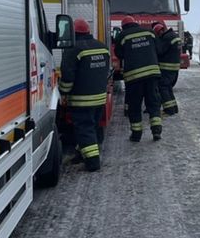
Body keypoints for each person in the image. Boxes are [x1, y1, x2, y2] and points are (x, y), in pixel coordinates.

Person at [59, 18, 110, 172]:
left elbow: (68, 76)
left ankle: (93, 162)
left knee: (84, 130)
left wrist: (63, 92)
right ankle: (82, 154)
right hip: (100, 98)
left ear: (73, 33)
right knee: (92, 128)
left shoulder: (72, 49)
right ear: (88, 31)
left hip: (81, 100)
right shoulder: (102, 47)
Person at [115, 16, 163, 142]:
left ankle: (136, 134)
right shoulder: (150, 32)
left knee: (134, 106)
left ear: (123, 26)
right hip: (152, 74)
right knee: (153, 102)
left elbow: (119, 54)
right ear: (135, 23)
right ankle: (156, 130)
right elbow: (159, 49)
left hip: (134, 77)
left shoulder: (122, 35)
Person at [154, 22, 182, 115]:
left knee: (163, 87)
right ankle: (174, 108)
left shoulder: (167, 38)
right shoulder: (174, 35)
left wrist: (156, 42)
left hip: (167, 67)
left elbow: (160, 51)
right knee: (168, 87)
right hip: (174, 67)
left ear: (160, 31)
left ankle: (169, 110)